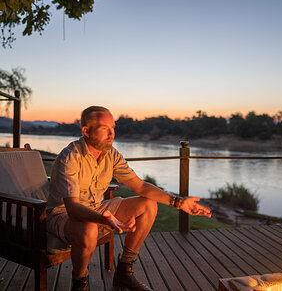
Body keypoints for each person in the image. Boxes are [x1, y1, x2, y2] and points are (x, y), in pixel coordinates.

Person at [46, 106, 212, 291]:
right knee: (89, 228)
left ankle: (124, 272)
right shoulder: (70, 157)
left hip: (97, 208)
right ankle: (80, 282)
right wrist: (104, 219)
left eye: (113, 127)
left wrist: (178, 202)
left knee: (148, 205)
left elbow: (140, 186)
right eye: (104, 128)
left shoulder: (112, 155)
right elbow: (73, 208)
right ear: (86, 131)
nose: (112, 133)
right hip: (63, 216)